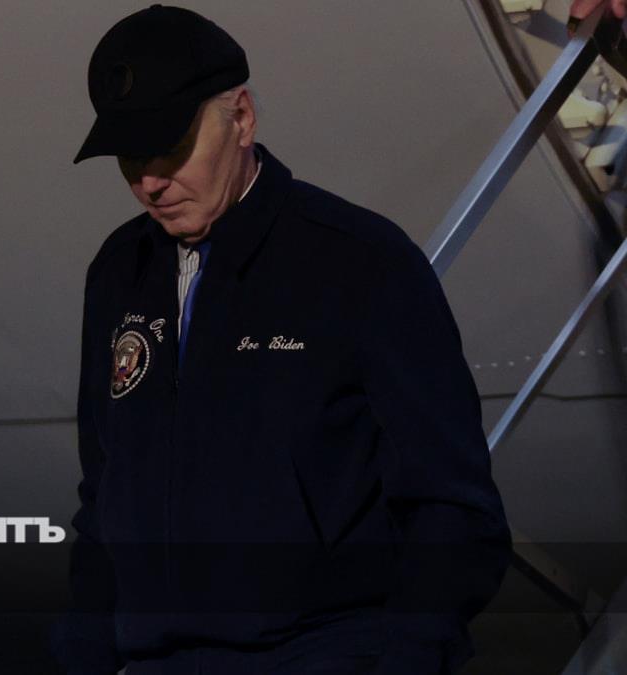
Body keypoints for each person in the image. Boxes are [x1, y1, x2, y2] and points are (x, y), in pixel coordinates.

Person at [50, 5, 513, 674]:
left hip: (324, 653)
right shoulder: (119, 272)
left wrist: (408, 656)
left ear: (241, 117)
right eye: (131, 155)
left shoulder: (361, 262)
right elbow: (103, 500)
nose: (150, 182)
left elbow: (453, 506)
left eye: (171, 148)